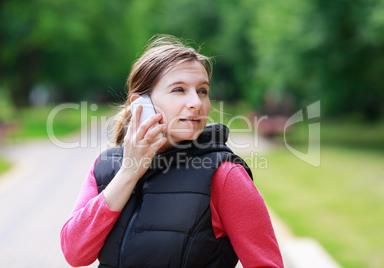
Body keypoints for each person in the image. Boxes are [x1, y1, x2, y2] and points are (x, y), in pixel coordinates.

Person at [60, 34, 283, 268]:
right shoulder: (104, 168)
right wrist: (128, 174)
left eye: (202, 91)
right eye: (179, 89)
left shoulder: (224, 174)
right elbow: (75, 254)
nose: (196, 102)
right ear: (140, 104)